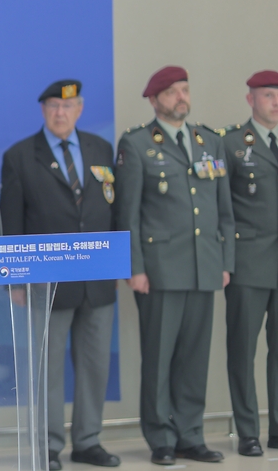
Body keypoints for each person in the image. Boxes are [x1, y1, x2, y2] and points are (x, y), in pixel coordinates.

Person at [114, 65, 234, 466]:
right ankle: (161, 437)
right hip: (160, 270)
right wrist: (135, 267)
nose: (181, 97)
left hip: (205, 266)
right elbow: (127, 215)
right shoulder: (136, 144)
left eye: (184, 89)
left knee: (195, 359)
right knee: (160, 357)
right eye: (172, 92)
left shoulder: (209, 141)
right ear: (154, 99)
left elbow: (224, 211)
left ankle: (191, 434)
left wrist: (225, 261)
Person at [0, 80, 120, 470]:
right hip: (46, 283)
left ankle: (88, 441)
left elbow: (111, 210)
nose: (60, 113)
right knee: (46, 370)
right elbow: (11, 223)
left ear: (80, 109)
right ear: (43, 110)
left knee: (95, 365)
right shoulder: (19, 156)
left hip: (98, 279)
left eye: (68, 107)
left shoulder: (101, 149)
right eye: (53, 106)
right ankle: (47, 446)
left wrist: (118, 263)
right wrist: (15, 279)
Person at [221, 70, 278, 457]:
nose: (275, 101)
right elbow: (221, 209)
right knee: (243, 350)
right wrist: (226, 261)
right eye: (268, 94)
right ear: (250, 100)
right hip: (249, 261)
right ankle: (248, 431)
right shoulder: (230, 144)